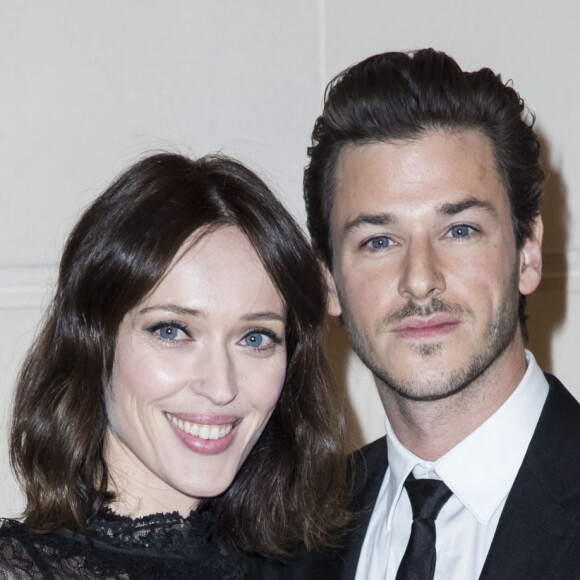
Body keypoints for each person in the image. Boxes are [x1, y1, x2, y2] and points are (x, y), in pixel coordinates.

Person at [292, 48, 580, 579]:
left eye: (460, 230)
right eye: (379, 240)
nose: (420, 278)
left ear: (528, 253)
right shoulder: (289, 538)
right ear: (328, 280)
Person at [2, 152, 349, 579]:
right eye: (172, 331)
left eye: (254, 338)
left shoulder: (324, 566)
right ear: (94, 343)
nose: (221, 386)